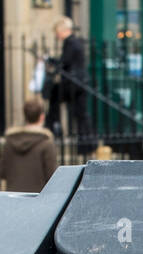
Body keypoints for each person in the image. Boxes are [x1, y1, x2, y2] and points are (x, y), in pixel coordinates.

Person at [47, 17, 94, 153]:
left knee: (80, 114)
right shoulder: (72, 42)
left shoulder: (72, 43)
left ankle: (54, 130)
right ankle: (84, 144)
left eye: (56, 31)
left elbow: (64, 62)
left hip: (75, 85)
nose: (56, 35)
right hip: (74, 83)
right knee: (80, 114)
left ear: (62, 30)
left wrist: (51, 61)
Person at [0, 95, 58, 193]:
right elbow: (52, 177)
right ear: (42, 116)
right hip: (37, 198)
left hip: (13, 198)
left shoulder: (10, 141)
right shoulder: (46, 143)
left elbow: (3, 173)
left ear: (25, 115)